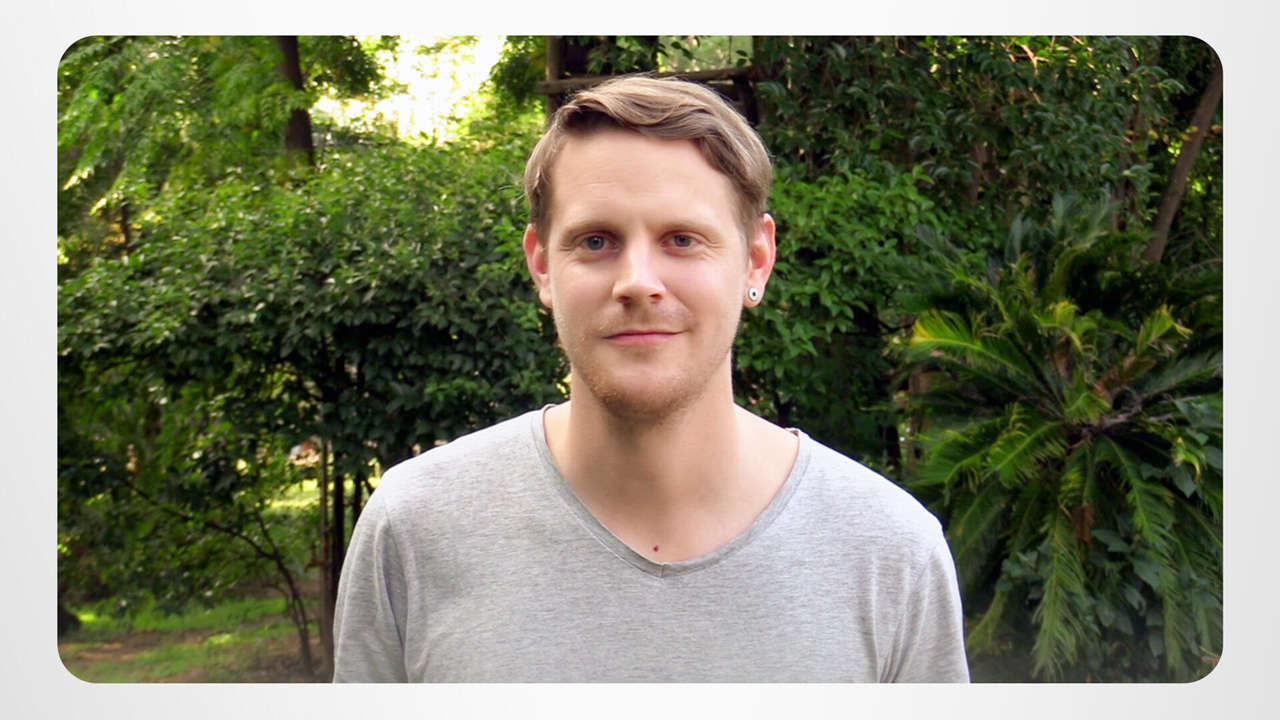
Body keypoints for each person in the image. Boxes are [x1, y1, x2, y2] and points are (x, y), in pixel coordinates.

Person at [332, 75, 969, 682]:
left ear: (756, 260)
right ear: (542, 265)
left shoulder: (891, 553)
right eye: (596, 241)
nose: (638, 281)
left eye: (683, 239)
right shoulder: (415, 528)